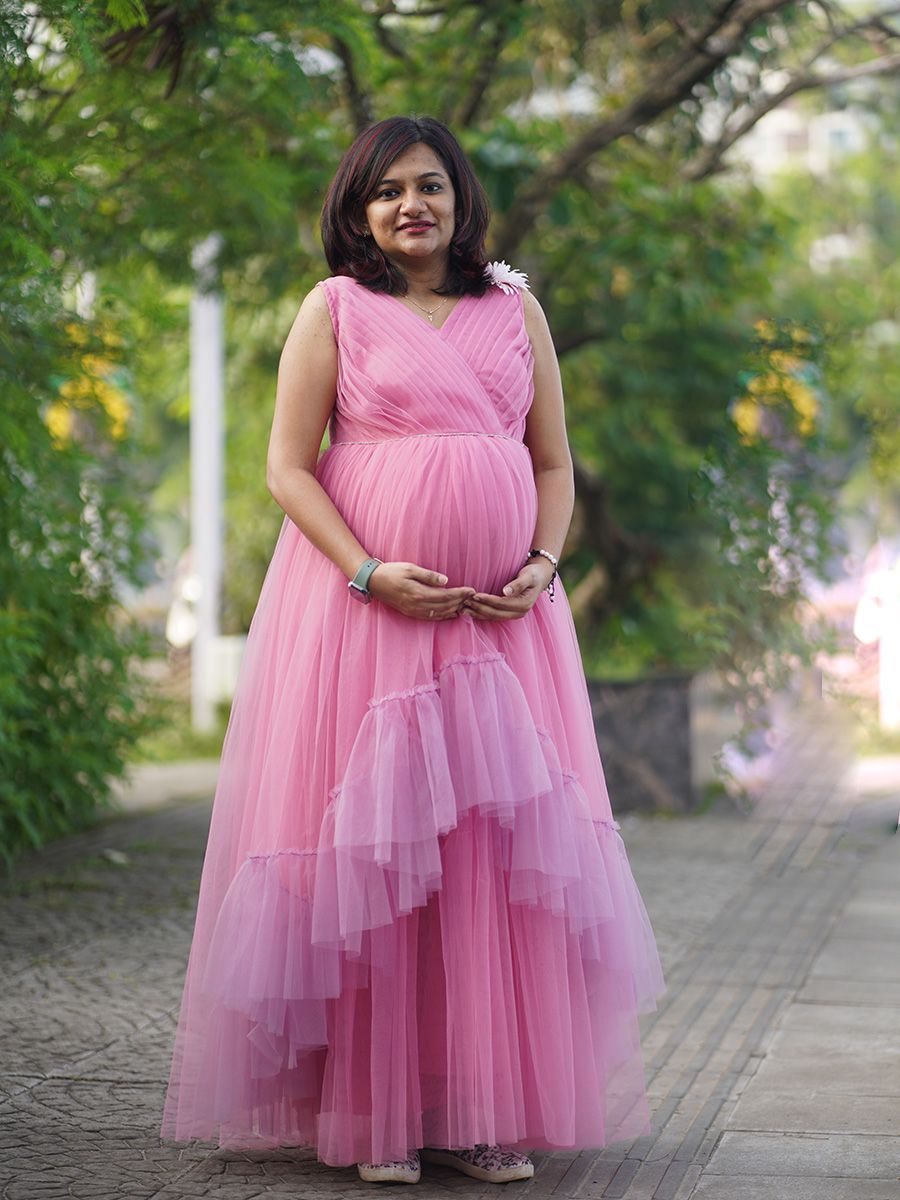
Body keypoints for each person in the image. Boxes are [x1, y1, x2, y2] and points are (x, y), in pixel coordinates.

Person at [160, 115, 666, 1185]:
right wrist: (367, 570)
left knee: (486, 864)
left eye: (430, 187)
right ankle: (371, 1115)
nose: (411, 207)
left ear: (461, 199)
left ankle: (484, 1111)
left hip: (500, 631)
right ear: (358, 209)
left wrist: (543, 560)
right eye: (387, 191)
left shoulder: (512, 308)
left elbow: (554, 464)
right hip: (365, 626)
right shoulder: (335, 308)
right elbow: (289, 468)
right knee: (374, 862)